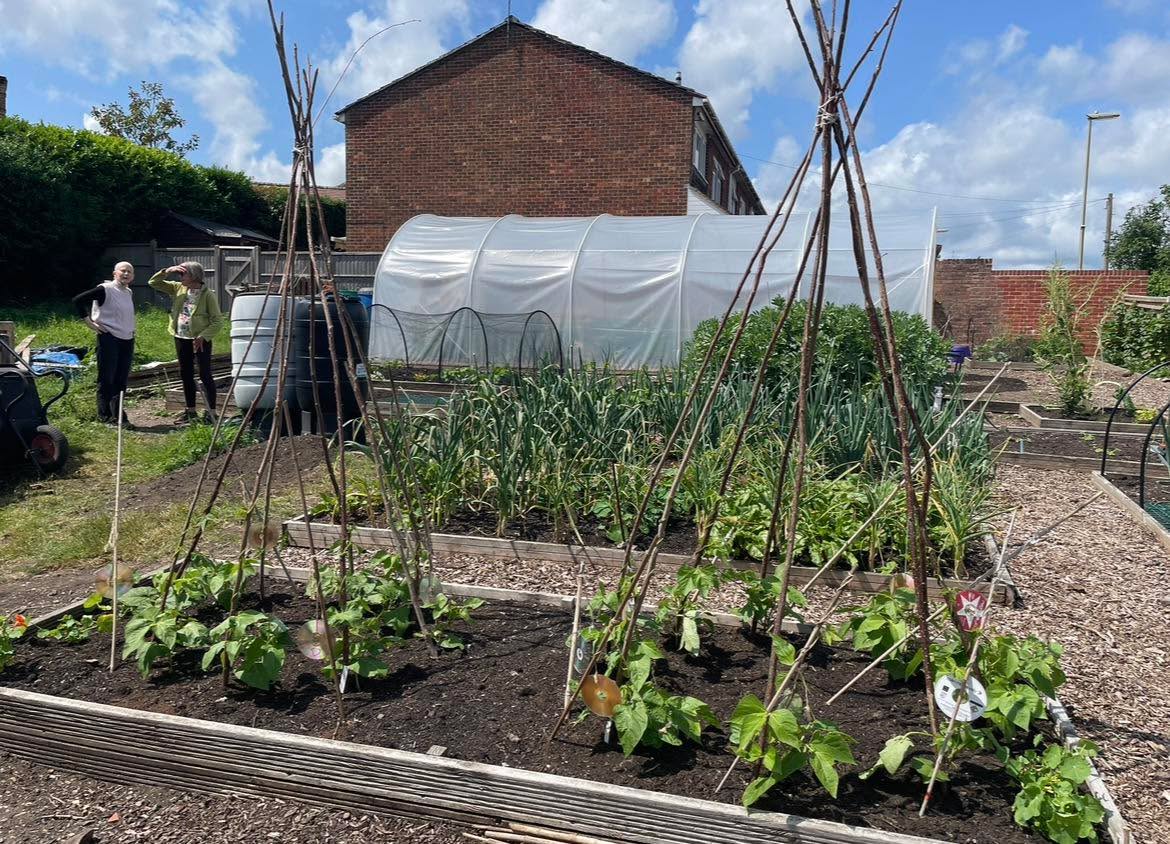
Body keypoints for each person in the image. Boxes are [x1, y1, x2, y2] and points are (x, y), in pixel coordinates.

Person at [149, 261, 224, 422]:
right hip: (181, 337)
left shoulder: (207, 295)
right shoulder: (177, 288)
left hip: (200, 340)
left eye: (184, 274)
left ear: (194, 276)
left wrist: (203, 336)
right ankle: (190, 411)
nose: (180, 277)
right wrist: (167, 270)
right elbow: (153, 283)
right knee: (186, 374)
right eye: (179, 274)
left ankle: (211, 413)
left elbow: (218, 321)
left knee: (205, 374)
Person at [72, 261, 137, 426]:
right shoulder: (105, 289)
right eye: (123, 270)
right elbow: (78, 300)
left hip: (127, 338)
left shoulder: (128, 292)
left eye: (129, 272)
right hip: (109, 337)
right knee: (107, 377)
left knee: (121, 378)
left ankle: (118, 414)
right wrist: (89, 323)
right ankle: (105, 415)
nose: (126, 274)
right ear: (115, 273)